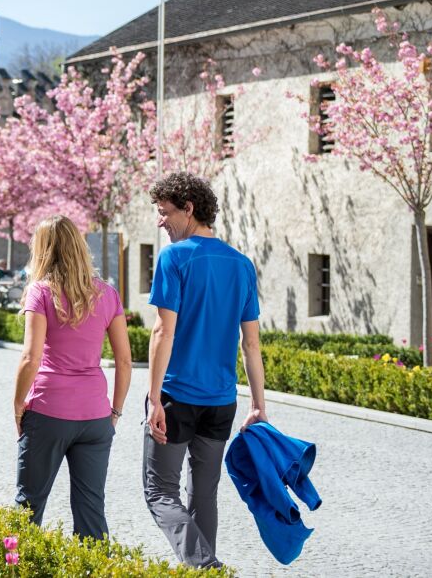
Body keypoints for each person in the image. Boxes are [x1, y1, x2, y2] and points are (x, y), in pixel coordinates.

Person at [143, 172, 267, 569]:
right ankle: (203, 570)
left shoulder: (174, 258)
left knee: (159, 491)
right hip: (222, 402)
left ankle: (204, 567)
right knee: (203, 495)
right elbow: (251, 344)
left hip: (177, 396)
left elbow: (164, 330)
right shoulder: (242, 265)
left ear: (189, 209)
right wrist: (258, 405)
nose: (160, 221)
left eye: (164, 213)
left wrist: (153, 397)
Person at [13, 216, 132, 539]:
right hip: (96, 417)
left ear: (43, 251)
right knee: (91, 510)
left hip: (49, 412)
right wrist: (115, 412)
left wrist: (18, 404)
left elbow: (30, 357)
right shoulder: (108, 294)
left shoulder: (41, 292)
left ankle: (9, 570)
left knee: (26, 508)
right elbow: (124, 360)